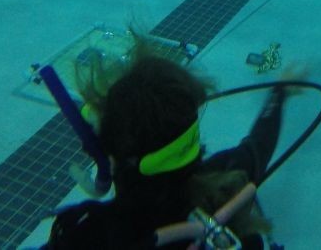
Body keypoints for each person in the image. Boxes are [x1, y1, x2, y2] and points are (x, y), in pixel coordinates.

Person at [44, 42, 291, 249]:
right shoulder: (226, 188)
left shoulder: (83, 234)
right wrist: (279, 93)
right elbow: (259, 146)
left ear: (109, 158)